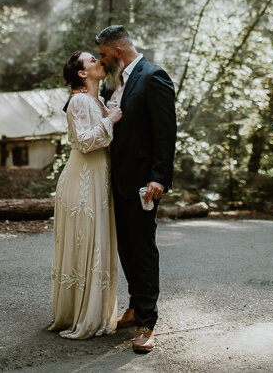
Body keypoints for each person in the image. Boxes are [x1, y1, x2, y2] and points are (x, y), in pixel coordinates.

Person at [95, 25, 176, 354]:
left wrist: (159, 176)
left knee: (142, 249)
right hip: (116, 180)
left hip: (144, 182)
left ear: (116, 52)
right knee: (126, 247)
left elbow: (165, 130)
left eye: (102, 54)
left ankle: (147, 323)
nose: (100, 61)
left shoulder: (153, 76)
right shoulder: (115, 82)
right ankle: (133, 306)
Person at [48, 50, 123, 339]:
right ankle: (79, 314)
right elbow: (84, 142)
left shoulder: (98, 100)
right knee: (85, 245)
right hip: (81, 182)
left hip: (98, 179)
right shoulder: (78, 100)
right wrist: (111, 120)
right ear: (81, 74)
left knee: (97, 245)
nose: (99, 62)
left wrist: (109, 113)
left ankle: (94, 310)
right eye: (92, 61)